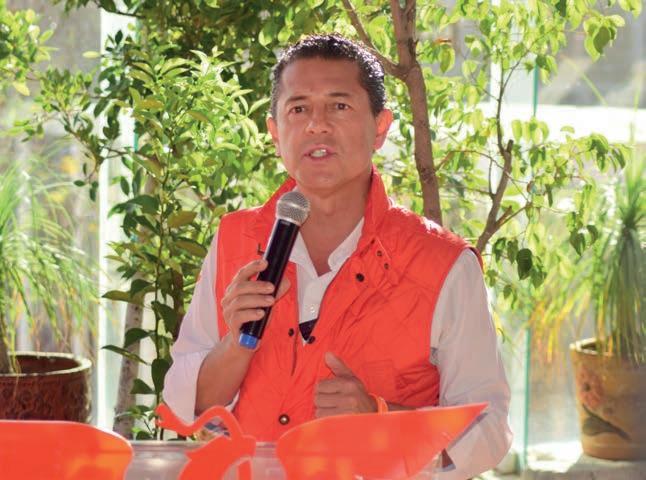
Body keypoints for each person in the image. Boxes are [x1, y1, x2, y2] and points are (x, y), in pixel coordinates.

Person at [163, 33, 512, 478]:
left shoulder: (444, 264)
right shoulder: (235, 239)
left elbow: (489, 428)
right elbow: (188, 403)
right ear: (275, 132)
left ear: (380, 127)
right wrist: (236, 343)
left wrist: (382, 421)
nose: (317, 125)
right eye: (298, 109)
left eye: (339, 106)